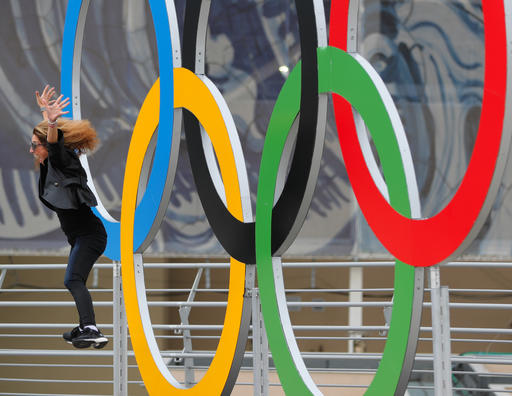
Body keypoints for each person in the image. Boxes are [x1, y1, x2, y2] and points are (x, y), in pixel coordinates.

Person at [31, 85, 108, 349]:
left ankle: (91, 328)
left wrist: (51, 122)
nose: (31, 151)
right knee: (75, 279)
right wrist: (45, 114)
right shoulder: (55, 167)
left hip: (90, 235)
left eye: (33, 146)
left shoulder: (61, 160)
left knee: (72, 279)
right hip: (80, 237)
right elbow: (49, 144)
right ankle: (86, 325)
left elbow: (53, 145)